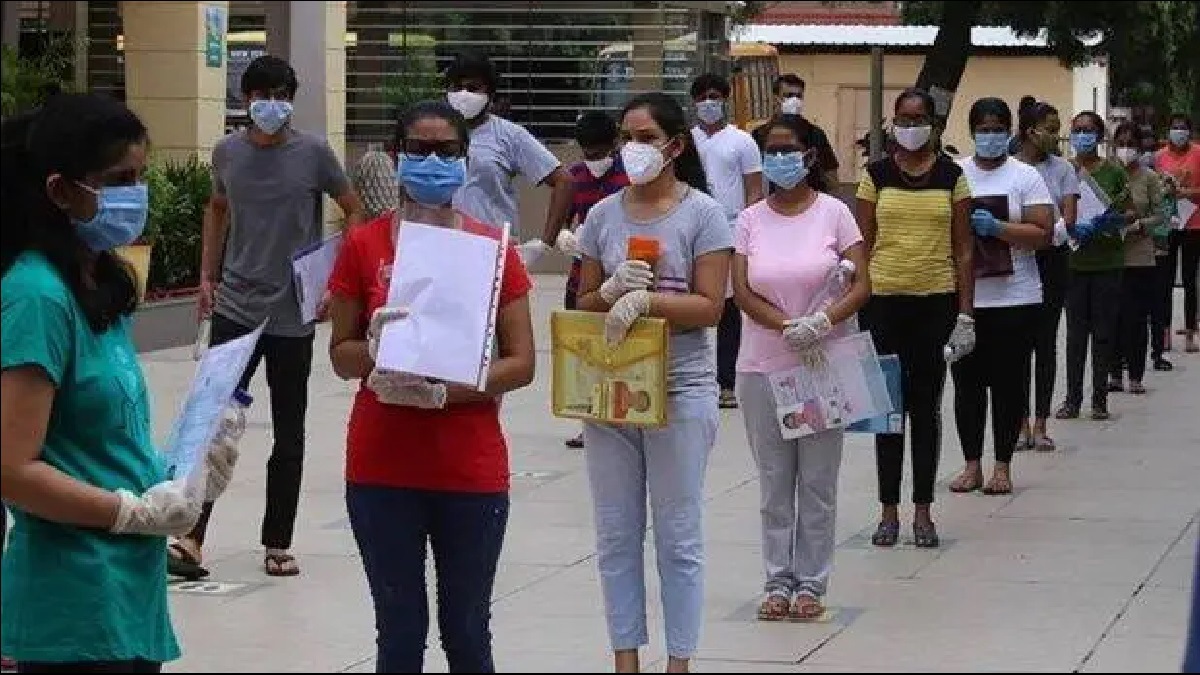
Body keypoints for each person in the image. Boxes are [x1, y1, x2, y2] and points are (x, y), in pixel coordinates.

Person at [0, 93, 234, 673]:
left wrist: (185, 473)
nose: (137, 194)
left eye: (141, 177)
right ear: (60, 191)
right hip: (73, 598)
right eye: (118, 180)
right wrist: (129, 512)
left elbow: (99, 442)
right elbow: (12, 469)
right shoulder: (36, 295)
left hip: (128, 589)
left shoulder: (98, 286)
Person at [327, 100, 536, 673]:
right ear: (397, 157)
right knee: (398, 632)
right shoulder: (364, 245)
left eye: (448, 151)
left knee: (467, 630)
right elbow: (341, 354)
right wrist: (377, 353)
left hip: (469, 468)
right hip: (381, 466)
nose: (433, 162)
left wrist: (446, 391)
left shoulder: (493, 249)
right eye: (419, 150)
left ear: (466, 160)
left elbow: (520, 363)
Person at [185, 54, 366, 579]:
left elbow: (353, 208)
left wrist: (335, 277)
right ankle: (191, 535)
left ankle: (278, 541)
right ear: (246, 100)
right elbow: (217, 209)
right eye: (262, 95)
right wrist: (207, 275)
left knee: (289, 430)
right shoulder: (227, 152)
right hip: (235, 307)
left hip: (292, 312)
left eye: (282, 95)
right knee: (214, 421)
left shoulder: (314, 154)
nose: (272, 105)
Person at [575, 92, 731, 674]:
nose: (632, 148)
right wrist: (610, 290)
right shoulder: (602, 215)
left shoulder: (703, 214)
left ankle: (679, 661)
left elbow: (710, 306)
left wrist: (651, 300)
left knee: (678, 535)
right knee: (616, 534)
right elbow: (585, 301)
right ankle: (625, 658)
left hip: (681, 387)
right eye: (627, 137)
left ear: (674, 146)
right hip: (611, 386)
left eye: (646, 138)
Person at [732, 115, 870, 621]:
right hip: (763, 365)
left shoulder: (835, 213)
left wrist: (822, 322)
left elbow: (861, 283)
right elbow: (742, 291)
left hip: (821, 364)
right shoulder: (749, 219)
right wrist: (787, 324)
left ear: (809, 155)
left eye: (787, 149)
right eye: (770, 150)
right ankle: (776, 580)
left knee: (816, 480)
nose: (779, 159)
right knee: (774, 481)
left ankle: (811, 582)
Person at [856, 88, 975, 549]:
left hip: (935, 302)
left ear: (934, 124)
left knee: (925, 409)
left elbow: (964, 250)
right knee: (888, 412)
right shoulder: (876, 175)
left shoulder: (952, 177)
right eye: (903, 119)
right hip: (883, 303)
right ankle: (888, 510)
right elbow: (862, 242)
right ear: (893, 122)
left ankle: (923, 510)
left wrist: (965, 313)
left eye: (918, 119)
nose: (910, 127)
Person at [948, 98, 1053, 496]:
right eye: (983, 129)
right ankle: (971, 465)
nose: (989, 136)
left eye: (997, 129)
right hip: (967, 300)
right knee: (967, 386)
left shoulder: (1025, 176)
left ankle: (1002, 466)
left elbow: (1042, 233)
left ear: (1008, 132)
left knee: (1009, 385)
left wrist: (998, 228)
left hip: (1015, 298)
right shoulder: (956, 174)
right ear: (971, 132)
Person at [442, 52, 574, 265]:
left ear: (490, 94)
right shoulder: (433, 132)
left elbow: (564, 181)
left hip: (492, 252)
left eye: (473, 88)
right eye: (457, 88)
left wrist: (544, 244)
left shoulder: (509, 135)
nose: (464, 94)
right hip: (442, 247)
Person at [689, 72, 764, 409]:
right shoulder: (686, 141)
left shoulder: (742, 142)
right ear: (694, 102)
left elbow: (753, 189)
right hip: (692, 227)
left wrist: (749, 230)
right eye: (703, 97)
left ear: (725, 100)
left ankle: (727, 381)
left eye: (715, 97)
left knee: (730, 307)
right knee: (690, 301)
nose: (709, 103)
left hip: (730, 228)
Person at [559, 111, 630, 448]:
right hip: (582, 277)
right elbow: (563, 217)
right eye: (587, 152)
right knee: (586, 352)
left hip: (621, 276)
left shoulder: (629, 177)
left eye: (599, 152)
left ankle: (623, 412)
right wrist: (565, 235)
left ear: (614, 144)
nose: (593, 159)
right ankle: (589, 420)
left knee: (619, 350)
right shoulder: (575, 177)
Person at [1013, 101, 1079, 452]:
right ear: (1030, 131)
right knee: (1018, 344)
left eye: (1057, 129)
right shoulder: (1012, 168)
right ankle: (1019, 422)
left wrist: (1049, 232)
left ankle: (1041, 423)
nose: (1055, 136)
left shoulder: (1063, 169)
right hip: (1018, 257)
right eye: (1050, 129)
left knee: (1045, 342)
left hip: (1052, 256)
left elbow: (1069, 214)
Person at [1057, 111, 1129, 421]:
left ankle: (1099, 399)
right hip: (1073, 263)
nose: (1082, 136)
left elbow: (1130, 213)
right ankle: (1072, 400)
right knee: (1075, 336)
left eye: (1088, 130)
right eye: (1077, 130)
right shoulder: (1064, 170)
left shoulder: (1114, 172)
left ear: (1099, 136)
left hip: (1107, 262)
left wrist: (1107, 222)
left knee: (1103, 332)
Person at [1109, 122, 1165, 395]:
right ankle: (1114, 374)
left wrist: (1140, 225)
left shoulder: (1149, 177)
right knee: (1112, 319)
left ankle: (1135, 375)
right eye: (1121, 144)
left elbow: (1161, 215)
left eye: (1130, 144)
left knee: (1136, 319)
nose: (1125, 150)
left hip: (1140, 257)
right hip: (1110, 256)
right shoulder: (1108, 174)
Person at [1156, 113, 1200, 353]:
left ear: (1189, 132)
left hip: (1193, 223)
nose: (1179, 132)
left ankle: (1191, 332)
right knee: (1165, 279)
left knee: (1190, 279)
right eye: (1175, 127)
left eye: (1183, 128)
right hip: (1168, 223)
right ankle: (1164, 333)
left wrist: (1187, 192)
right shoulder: (1159, 157)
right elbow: (1155, 187)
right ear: (1168, 131)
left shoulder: (1198, 154)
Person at [752, 74, 840, 189]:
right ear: (775, 99)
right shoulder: (760, 134)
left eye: (798, 96)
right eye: (788, 96)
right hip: (773, 196)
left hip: (809, 196)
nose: (794, 100)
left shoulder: (815, 134)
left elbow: (831, 176)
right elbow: (753, 175)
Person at [351, 141, 399, 219]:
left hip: (369, 216)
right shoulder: (386, 161)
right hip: (388, 216)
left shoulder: (365, 159)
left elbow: (356, 186)